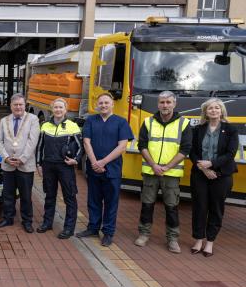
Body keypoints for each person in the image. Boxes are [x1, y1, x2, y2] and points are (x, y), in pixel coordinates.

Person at [134, 91, 191, 253]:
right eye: (162, 102)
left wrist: (166, 167)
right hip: (150, 172)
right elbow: (142, 145)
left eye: (168, 102)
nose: (165, 105)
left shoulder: (183, 123)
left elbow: (186, 149)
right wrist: (154, 165)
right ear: (158, 104)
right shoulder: (148, 122)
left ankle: (173, 239)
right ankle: (144, 234)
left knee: (171, 207)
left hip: (171, 174)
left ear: (174, 104)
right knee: (147, 205)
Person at [76, 93, 133, 247]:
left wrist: (103, 162)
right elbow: (86, 142)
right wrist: (95, 162)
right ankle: (93, 228)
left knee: (111, 202)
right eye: (100, 103)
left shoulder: (121, 122)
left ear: (112, 104)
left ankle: (108, 232)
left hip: (112, 170)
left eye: (106, 102)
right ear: (97, 105)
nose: (103, 105)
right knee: (93, 200)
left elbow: (122, 146)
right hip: (93, 168)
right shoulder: (90, 121)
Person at [189, 98, 238, 257]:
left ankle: (210, 242)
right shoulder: (198, 129)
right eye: (210, 108)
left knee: (216, 209)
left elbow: (230, 154)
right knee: (199, 207)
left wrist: (211, 164)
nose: (214, 110)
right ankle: (198, 239)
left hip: (222, 175)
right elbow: (192, 152)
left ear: (222, 111)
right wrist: (204, 168)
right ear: (205, 112)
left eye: (217, 108)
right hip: (200, 174)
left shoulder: (230, 130)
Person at [35, 98, 82, 239]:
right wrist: (38, 164)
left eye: (61, 107)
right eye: (55, 107)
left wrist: (76, 160)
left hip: (65, 166)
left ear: (65, 110)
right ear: (52, 109)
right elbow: (39, 147)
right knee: (49, 195)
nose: (58, 110)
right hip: (48, 165)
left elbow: (81, 146)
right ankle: (47, 222)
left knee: (70, 197)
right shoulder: (44, 126)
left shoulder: (72, 126)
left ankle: (69, 228)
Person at [0, 93, 40, 233]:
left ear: (24, 105)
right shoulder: (4, 120)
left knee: (26, 195)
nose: (18, 107)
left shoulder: (33, 119)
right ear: (11, 106)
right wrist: (6, 157)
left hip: (25, 165)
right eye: (15, 104)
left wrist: (22, 159)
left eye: (21, 104)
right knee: (8, 194)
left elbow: (33, 141)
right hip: (8, 164)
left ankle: (27, 221)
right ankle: (8, 218)